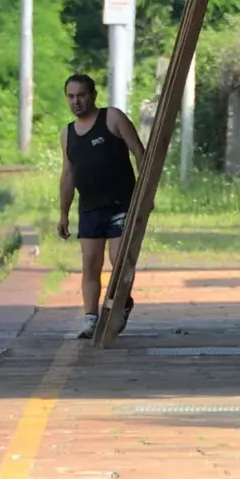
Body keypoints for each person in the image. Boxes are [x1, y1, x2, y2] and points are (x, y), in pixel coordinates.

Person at [57, 74, 145, 340]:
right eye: (71, 97)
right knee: (90, 264)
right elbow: (67, 175)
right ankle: (91, 319)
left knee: (119, 263)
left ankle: (120, 305)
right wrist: (63, 213)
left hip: (121, 204)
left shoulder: (113, 118)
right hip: (89, 209)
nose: (76, 101)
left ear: (93, 95)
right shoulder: (68, 133)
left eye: (81, 95)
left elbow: (140, 154)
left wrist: (146, 195)